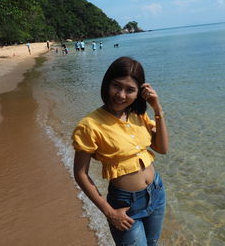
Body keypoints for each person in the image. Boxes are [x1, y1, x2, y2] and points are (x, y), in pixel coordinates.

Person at [72, 56, 168, 246]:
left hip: (156, 193)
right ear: (107, 83)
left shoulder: (138, 114)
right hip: (124, 204)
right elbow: (80, 173)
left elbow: (162, 149)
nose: (121, 95)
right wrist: (110, 212)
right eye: (117, 86)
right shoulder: (89, 125)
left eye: (130, 90)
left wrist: (157, 109)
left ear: (139, 93)